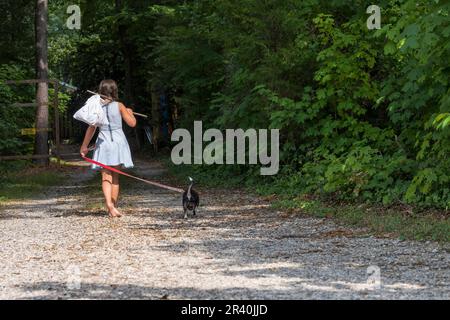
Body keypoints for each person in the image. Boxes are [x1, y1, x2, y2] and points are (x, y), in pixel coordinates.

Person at [80, 80, 137, 217]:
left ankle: (110, 206)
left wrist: (84, 146)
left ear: (101, 91)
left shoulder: (97, 107)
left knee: (106, 176)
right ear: (114, 91)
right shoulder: (120, 106)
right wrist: (130, 112)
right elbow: (132, 123)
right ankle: (112, 207)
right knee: (115, 177)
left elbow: (92, 127)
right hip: (118, 143)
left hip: (104, 143)